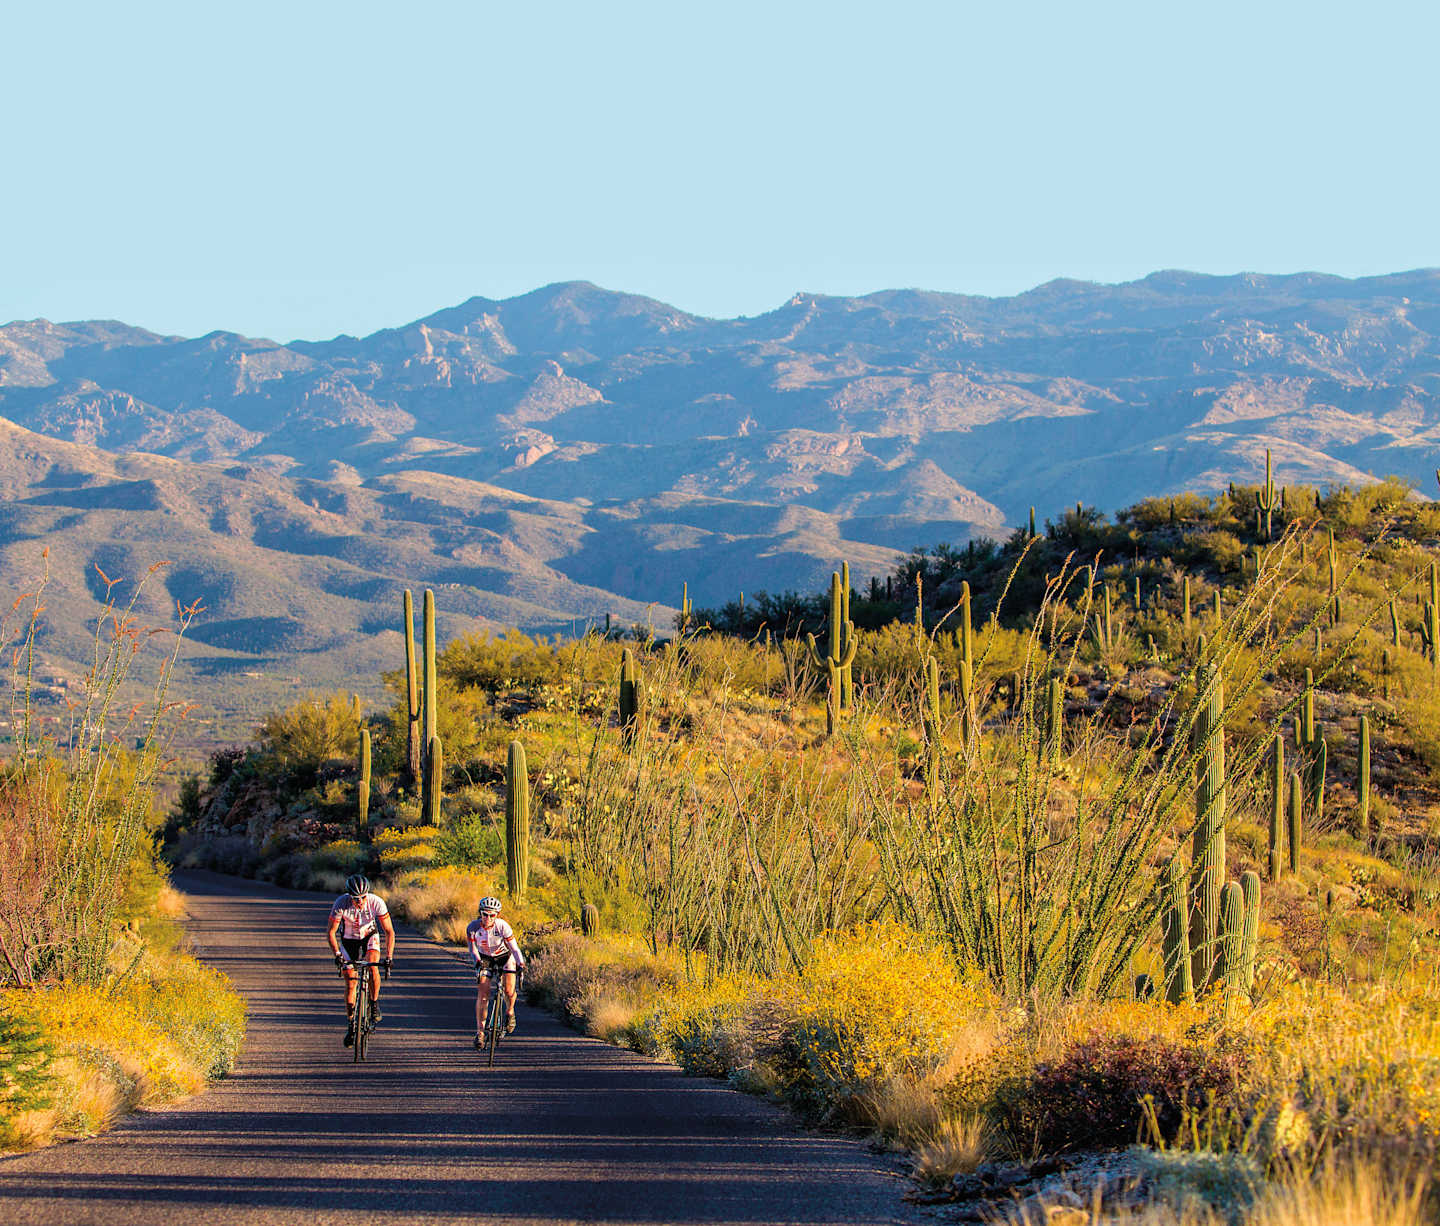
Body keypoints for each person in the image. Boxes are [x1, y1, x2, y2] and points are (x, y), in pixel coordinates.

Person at [327, 873, 396, 1047]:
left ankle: (373, 1004)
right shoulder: (340, 904)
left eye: (363, 897)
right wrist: (337, 955)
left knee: (373, 967)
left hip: (369, 937)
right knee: (351, 982)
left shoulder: (376, 902)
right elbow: (331, 932)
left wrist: (389, 957)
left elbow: (389, 931)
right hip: (348, 941)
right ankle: (351, 1023)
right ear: (349, 896)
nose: (360, 902)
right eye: (356, 899)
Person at [466, 896, 525, 1047]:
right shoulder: (472, 927)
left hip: (505, 957)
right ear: (480, 913)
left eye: (492, 915)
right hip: (485, 958)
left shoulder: (503, 926)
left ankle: (510, 1012)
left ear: (497, 915)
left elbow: (514, 948)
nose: (488, 918)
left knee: (509, 990)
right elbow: (473, 950)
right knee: (483, 994)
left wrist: (521, 963)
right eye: (485, 914)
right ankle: (480, 1032)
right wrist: (478, 962)